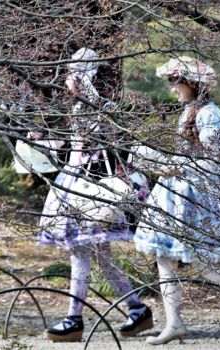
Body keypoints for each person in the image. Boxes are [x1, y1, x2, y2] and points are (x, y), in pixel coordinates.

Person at [37, 48, 153, 342]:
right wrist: (47, 139)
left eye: (70, 74)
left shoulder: (95, 108)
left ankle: (74, 319)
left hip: (88, 189)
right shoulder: (85, 108)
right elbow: (76, 146)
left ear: (80, 76)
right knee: (101, 257)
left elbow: (97, 152)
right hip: (81, 184)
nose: (65, 79)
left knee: (80, 253)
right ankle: (137, 309)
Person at [134, 56, 220, 345]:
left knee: (206, 260)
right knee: (164, 257)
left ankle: (174, 322)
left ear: (192, 83)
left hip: (196, 195)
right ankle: (173, 322)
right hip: (176, 193)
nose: (172, 88)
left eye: (175, 82)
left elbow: (209, 161)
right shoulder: (188, 111)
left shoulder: (210, 113)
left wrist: (171, 166)